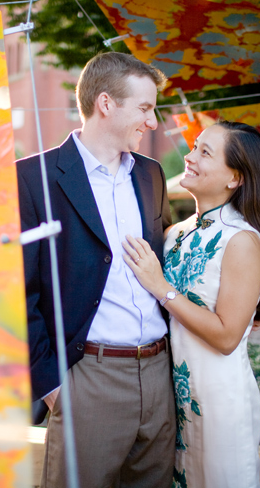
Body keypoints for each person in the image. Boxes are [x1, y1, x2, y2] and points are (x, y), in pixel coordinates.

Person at [17, 52, 175, 487]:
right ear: (106, 104)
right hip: (88, 380)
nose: (153, 121)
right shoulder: (32, 178)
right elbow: (16, 292)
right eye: (144, 108)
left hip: (160, 376)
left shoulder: (152, 175)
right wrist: (52, 386)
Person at [122, 121, 260, 487]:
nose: (190, 156)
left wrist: (161, 287)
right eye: (195, 146)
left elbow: (228, 337)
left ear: (236, 178)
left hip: (218, 403)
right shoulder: (174, 234)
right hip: (170, 402)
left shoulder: (243, 240)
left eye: (205, 152)